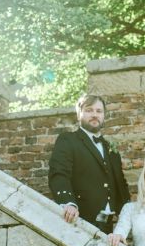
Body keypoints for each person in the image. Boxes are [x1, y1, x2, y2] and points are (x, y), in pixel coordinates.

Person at [48, 93, 130, 234]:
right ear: (79, 113)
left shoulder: (111, 149)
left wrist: (128, 216)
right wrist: (68, 202)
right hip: (79, 221)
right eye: (89, 110)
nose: (94, 115)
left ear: (104, 115)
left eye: (99, 111)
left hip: (109, 228)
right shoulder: (68, 140)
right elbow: (59, 173)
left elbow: (120, 185)